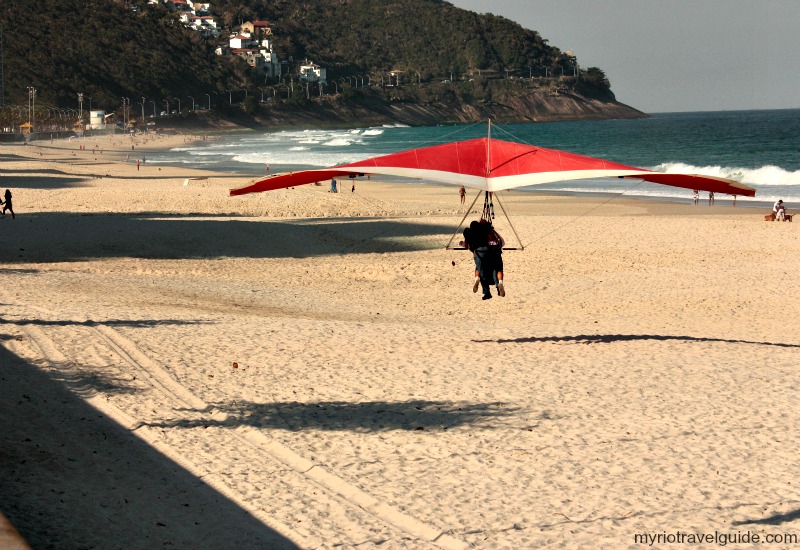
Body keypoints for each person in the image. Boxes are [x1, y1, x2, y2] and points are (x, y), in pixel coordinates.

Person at [461, 220, 505, 300]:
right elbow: (502, 242)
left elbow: (466, 246)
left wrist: (461, 243)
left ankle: (483, 287)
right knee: (497, 269)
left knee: (480, 270)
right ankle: (499, 284)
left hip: (479, 253)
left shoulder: (473, 233)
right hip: (492, 252)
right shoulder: (489, 232)